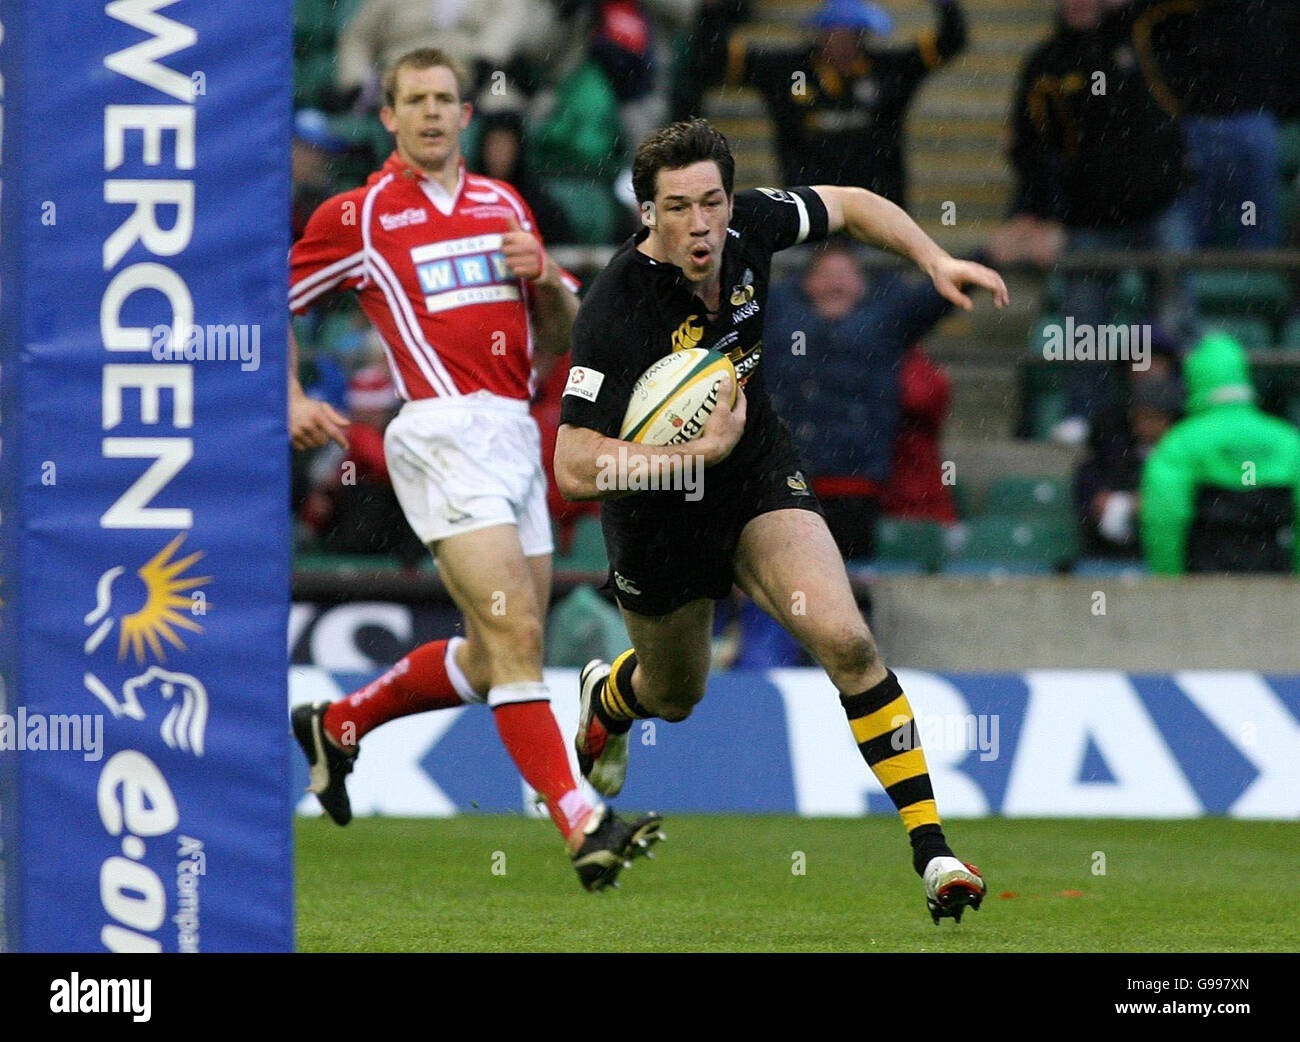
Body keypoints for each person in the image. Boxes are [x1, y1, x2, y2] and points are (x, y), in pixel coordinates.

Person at [553, 118, 1008, 921]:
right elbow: (573, 463)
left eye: (712, 202)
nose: (700, 225)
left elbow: (855, 204)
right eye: (678, 208)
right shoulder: (616, 308)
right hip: (656, 516)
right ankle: (610, 699)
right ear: (648, 213)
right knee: (676, 691)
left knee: (847, 640)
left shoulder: (751, 225)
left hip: (755, 474)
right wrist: (686, 458)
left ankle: (933, 850)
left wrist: (932, 258)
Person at [287, 47, 661, 892]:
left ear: (466, 115)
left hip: (513, 433)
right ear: (387, 116)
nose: (429, 113)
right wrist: (287, 397)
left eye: (443, 100)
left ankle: (338, 724)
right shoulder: (362, 214)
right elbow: (275, 300)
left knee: (495, 658)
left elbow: (560, 338)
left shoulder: (502, 203)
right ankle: (581, 820)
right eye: (412, 100)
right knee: (519, 639)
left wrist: (549, 287)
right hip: (438, 432)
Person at [995, 0, 1190, 446]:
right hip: (1088, 215)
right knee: (1085, 328)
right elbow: (1029, 143)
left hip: (1160, 203)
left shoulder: (1142, 29)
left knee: (1176, 314)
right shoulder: (1046, 62)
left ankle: (1180, 411)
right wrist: (1040, 213)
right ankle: (1083, 415)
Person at [764, 240, 963, 558]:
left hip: (857, 484)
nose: (836, 283)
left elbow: (933, 298)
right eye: (826, 274)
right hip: (787, 482)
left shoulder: (883, 323)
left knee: (849, 581)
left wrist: (981, 261)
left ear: (862, 285)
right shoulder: (776, 320)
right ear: (806, 283)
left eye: (846, 274)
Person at [725, 0, 967, 208]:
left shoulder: (889, 71)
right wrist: (715, 10)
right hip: (808, 216)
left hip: (879, 217)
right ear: (820, 32)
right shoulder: (786, 70)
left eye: (850, 33)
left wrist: (946, 6)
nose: (841, 41)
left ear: (863, 34)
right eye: (833, 31)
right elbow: (716, 58)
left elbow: (951, 41)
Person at [1140, 332, 1300, 574]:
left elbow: (1164, 516)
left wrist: (1169, 581)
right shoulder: (1288, 441)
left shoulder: (1181, 442)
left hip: (1204, 587)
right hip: (1273, 583)